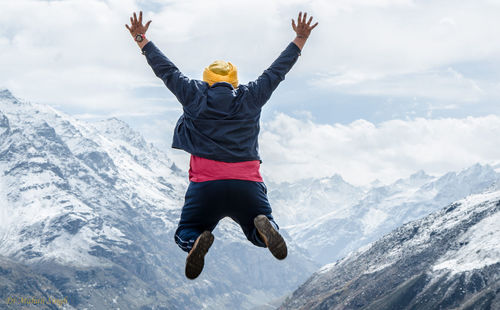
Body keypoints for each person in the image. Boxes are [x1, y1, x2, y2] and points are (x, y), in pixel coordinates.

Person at [126, 10, 318, 280]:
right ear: (234, 82)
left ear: (207, 80)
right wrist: (299, 38)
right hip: (247, 183)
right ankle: (264, 229)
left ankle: (195, 241)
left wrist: (141, 39)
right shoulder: (251, 96)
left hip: (206, 186)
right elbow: (276, 72)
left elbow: (166, 71)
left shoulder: (193, 94)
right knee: (257, 225)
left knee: (187, 230)